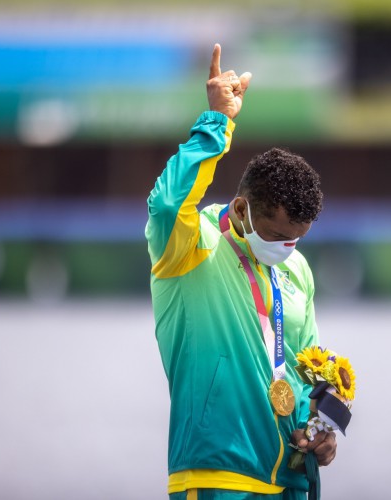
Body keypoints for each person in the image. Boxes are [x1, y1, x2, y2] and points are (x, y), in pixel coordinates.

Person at [146, 43, 336, 500]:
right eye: (275, 235)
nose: (286, 248)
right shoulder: (191, 247)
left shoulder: (298, 268)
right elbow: (169, 204)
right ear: (241, 210)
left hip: (293, 479)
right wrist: (217, 122)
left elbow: (308, 361)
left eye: (297, 238)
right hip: (219, 477)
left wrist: (326, 424)